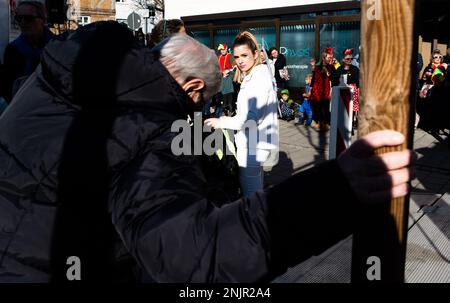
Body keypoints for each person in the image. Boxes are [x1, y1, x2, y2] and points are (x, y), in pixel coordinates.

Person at [0, 22, 413, 283]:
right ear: (193, 90)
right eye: (199, 103)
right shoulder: (151, 129)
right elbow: (192, 256)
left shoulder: (62, 71)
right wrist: (332, 194)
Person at [205, 32, 279, 198]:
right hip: (255, 143)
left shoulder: (257, 78)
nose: (240, 61)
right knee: (256, 194)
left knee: (250, 199)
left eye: (245, 55)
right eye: (237, 56)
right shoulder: (254, 75)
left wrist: (222, 121)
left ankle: (254, 223)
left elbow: (250, 118)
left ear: (255, 54)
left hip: (253, 146)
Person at [1, 1, 54, 103]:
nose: (23, 22)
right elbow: (7, 87)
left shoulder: (56, 47)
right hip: (22, 106)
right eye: (19, 18)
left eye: (29, 18)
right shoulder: (13, 50)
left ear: (42, 20)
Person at [310, 47, 340, 132]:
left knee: (325, 108)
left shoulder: (332, 67)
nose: (330, 59)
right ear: (324, 57)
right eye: (329, 57)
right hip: (317, 91)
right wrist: (311, 89)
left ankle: (325, 123)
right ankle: (318, 122)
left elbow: (336, 76)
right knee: (317, 107)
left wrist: (336, 64)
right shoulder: (318, 67)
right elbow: (313, 79)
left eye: (331, 57)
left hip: (326, 91)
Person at [337, 48, 360, 128]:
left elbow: (358, 81)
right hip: (342, 89)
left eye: (351, 59)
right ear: (343, 59)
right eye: (347, 59)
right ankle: (344, 122)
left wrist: (358, 90)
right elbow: (336, 80)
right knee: (343, 106)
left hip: (353, 90)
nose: (349, 60)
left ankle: (352, 121)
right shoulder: (339, 69)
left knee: (353, 107)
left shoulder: (355, 69)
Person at [217, 43, 236, 116]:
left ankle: (231, 111)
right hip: (221, 78)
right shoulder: (219, 57)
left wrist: (228, 71)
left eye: (223, 49)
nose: (222, 51)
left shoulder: (230, 56)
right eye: (221, 50)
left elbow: (234, 67)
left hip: (228, 78)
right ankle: (224, 111)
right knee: (222, 98)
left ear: (226, 48)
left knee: (229, 98)